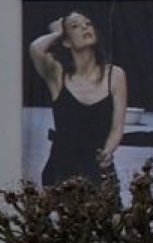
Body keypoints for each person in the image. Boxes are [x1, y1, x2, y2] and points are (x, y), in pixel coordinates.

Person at [31, 10, 127, 187]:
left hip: (97, 168)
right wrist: (56, 33)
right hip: (62, 169)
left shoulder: (115, 75)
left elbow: (117, 127)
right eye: (75, 26)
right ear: (67, 41)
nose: (84, 27)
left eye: (88, 24)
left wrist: (108, 151)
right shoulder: (58, 74)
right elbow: (36, 49)